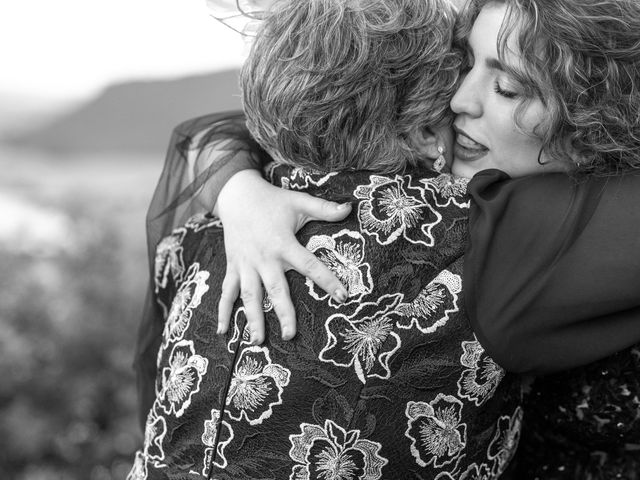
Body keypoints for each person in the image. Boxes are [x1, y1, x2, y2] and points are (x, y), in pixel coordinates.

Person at [134, 0, 640, 477]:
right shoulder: (470, 231)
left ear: (591, 111)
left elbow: (210, 133)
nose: (460, 100)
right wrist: (239, 191)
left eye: (507, 87)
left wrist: (236, 189)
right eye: (462, 66)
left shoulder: (191, 243)